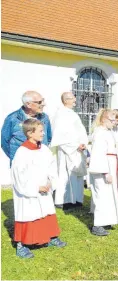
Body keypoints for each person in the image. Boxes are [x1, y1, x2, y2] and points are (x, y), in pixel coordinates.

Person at [11, 119, 66, 259]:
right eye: (40, 131)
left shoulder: (45, 149)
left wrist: (50, 182)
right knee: (29, 214)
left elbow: (51, 167)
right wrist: (35, 188)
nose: (43, 133)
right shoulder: (22, 152)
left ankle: (51, 236)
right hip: (29, 192)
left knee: (47, 212)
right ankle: (21, 245)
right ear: (30, 133)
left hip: (45, 188)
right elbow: (19, 176)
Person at [87, 109, 118, 236]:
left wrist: (117, 158)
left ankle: (106, 219)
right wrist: (105, 172)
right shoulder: (100, 133)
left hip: (110, 164)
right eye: (113, 120)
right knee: (101, 196)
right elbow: (98, 154)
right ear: (104, 119)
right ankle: (98, 225)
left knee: (108, 195)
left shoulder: (107, 132)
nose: (115, 123)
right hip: (104, 167)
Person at [50, 92, 88, 209]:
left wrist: (82, 143)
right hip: (68, 149)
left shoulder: (71, 113)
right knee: (66, 174)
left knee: (76, 175)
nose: (75, 101)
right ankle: (64, 200)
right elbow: (61, 134)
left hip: (77, 149)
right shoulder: (61, 114)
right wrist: (75, 145)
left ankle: (76, 199)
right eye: (72, 99)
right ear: (66, 100)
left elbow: (78, 131)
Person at [2, 91, 52, 165]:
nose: (43, 104)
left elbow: (48, 138)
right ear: (28, 104)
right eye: (39, 102)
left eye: (43, 100)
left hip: (41, 163)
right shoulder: (12, 119)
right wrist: (16, 158)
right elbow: (4, 142)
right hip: (21, 165)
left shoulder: (45, 118)